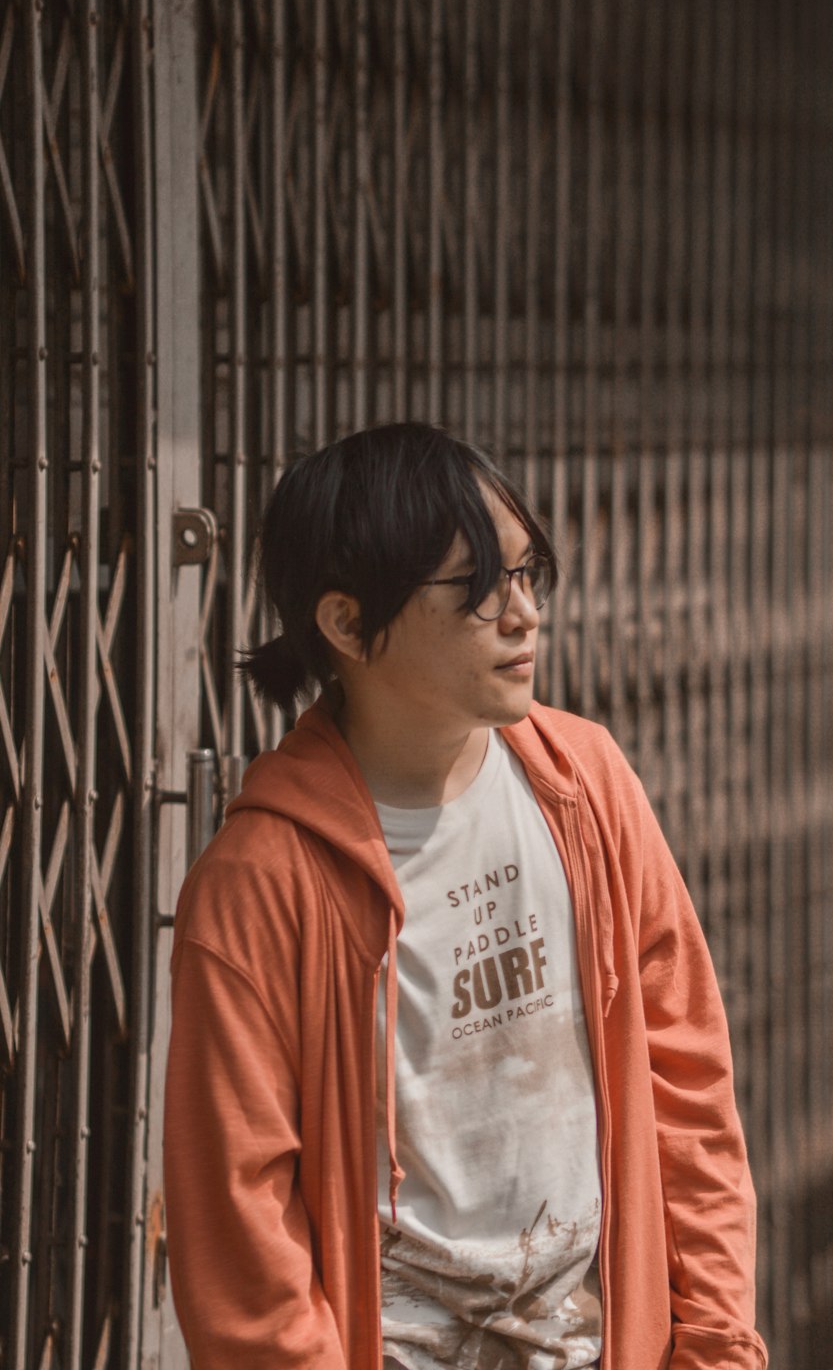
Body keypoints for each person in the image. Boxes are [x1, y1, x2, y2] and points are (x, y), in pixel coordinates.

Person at [164, 421, 767, 1370]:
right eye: (478, 588)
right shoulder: (259, 887)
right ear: (348, 624)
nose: (523, 613)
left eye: (529, 575)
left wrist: (722, 1346)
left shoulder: (587, 785)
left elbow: (687, 1085)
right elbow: (242, 1232)